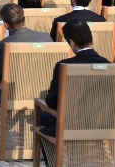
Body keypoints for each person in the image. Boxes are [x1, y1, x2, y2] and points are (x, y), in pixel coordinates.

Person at [35, 20, 107, 151]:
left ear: (72, 42)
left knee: (43, 118)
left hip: (70, 123)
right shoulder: (109, 65)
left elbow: (51, 102)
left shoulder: (64, 65)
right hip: (103, 123)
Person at [0, 3, 52, 84]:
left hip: (13, 93)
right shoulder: (46, 37)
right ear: (24, 19)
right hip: (43, 92)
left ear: (5, 25)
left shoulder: (3, 44)